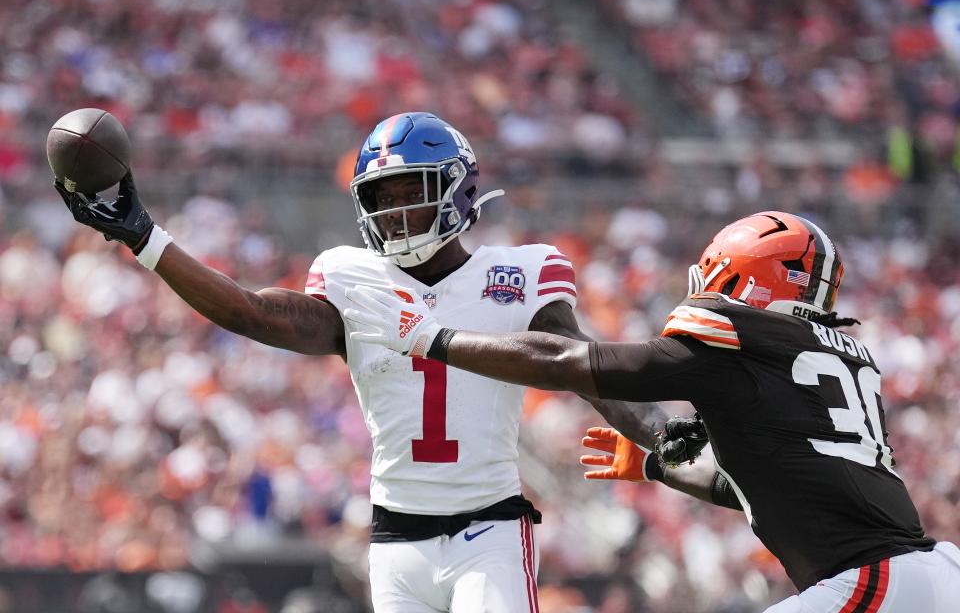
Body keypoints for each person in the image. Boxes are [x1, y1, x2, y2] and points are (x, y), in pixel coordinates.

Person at [54, 111, 670, 613]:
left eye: (413, 192)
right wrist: (142, 235)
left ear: (458, 190)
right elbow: (248, 311)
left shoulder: (520, 271)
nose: (396, 212)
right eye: (383, 196)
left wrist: (663, 440)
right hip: (395, 539)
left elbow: (578, 365)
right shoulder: (352, 277)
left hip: (490, 531)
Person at [343, 210, 960, 612]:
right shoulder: (838, 354)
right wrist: (658, 469)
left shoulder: (738, 335)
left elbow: (569, 360)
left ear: (744, 282)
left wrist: (430, 338)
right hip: (932, 573)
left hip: (872, 582)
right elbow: (759, 484)